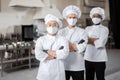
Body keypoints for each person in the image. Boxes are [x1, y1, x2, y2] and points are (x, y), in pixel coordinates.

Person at [35, 14, 69, 80]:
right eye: (49, 25)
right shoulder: (41, 39)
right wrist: (56, 54)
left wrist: (46, 52)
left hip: (58, 72)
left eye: (54, 25)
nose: (52, 27)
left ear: (58, 26)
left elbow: (65, 53)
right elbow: (38, 54)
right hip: (44, 72)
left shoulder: (63, 39)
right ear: (46, 26)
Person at [58, 5, 88, 80]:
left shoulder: (82, 32)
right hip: (64, 64)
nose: (72, 19)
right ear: (66, 18)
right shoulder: (61, 32)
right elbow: (58, 48)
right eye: (70, 17)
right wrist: (75, 47)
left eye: (74, 17)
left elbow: (82, 48)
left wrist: (66, 46)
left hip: (78, 65)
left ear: (77, 18)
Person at [84, 7, 109, 80]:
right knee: (89, 77)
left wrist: (89, 40)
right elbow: (83, 41)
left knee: (100, 77)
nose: (96, 18)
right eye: (94, 16)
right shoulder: (87, 29)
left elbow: (101, 43)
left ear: (101, 18)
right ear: (91, 17)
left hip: (100, 58)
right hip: (88, 57)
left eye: (98, 16)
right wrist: (95, 40)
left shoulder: (104, 29)